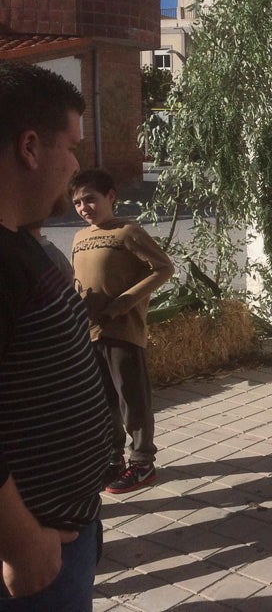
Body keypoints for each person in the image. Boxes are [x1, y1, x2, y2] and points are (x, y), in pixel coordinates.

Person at [0, 61, 113, 609]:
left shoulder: (21, 242)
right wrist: (21, 542)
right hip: (35, 548)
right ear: (29, 147)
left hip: (66, 524)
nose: (75, 166)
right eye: (70, 148)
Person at [70, 168, 174, 494]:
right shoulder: (79, 237)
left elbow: (164, 267)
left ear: (110, 196)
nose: (84, 207)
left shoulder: (128, 232)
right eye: (77, 202)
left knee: (133, 400)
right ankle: (113, 459)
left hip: (123, 331)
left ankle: (142, 463)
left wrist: (125, 302)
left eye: (90, 199)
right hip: (89, 333)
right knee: (103, 403)